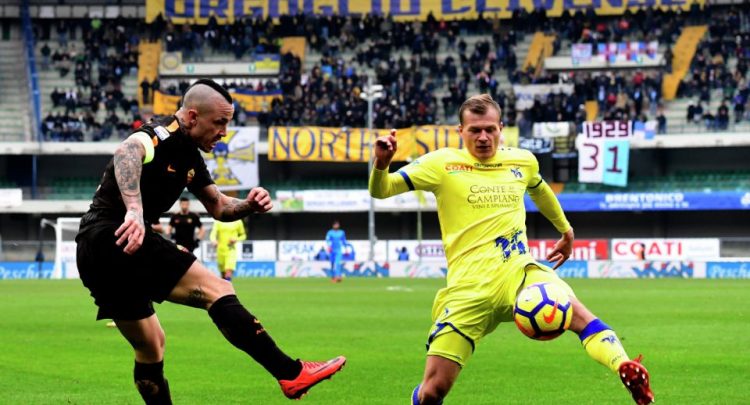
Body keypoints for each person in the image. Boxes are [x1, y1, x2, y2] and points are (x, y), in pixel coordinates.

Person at [369, 94, 653, 405]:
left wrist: (566, 231)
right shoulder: (440, 164)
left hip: (519, 273)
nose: (483, 137)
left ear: (501, 128)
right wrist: (382, 164)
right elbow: (382, 190)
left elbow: (541, 191)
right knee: (432, 391)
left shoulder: (522, 161)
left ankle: (624, 366)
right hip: (468, 289)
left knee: (579, 314)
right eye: (475, 130)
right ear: (460, 131)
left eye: (490, 129)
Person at [75, 78, 345, 404]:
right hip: (115, 234)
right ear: (192, 116)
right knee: (218, 289)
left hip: (93, 251)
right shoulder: (160, 134)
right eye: (219, 122)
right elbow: (127, 151)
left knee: (151, 346)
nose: (224, 132)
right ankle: (291, 373)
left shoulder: (190, 156)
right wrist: (134, 208)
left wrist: (249, 205)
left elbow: (218, 205)